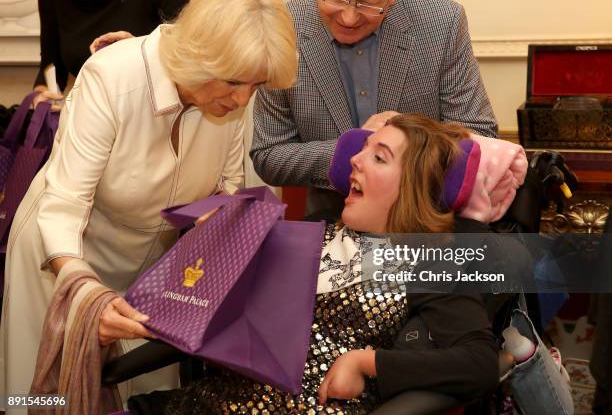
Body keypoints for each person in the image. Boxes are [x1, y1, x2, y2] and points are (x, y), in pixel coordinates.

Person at [0, 0, 297, 407]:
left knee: (142, 394)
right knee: (50, 398)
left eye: (255, 86)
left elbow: (226, 186)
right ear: (201, 57)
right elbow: (63, 206)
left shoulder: (232, 98)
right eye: (235, 83)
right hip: (63, 255)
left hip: (151, 268)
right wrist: (84, 292)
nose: (242, 100)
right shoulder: (112, 78)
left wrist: (219, 223)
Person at [128, 114, 500, 415]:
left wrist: (366, 362)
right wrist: (215, 242)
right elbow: (207, 305)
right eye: (363, 149)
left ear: (413, 185)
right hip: (208, 401)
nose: (354, 158)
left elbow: (478, 364)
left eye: (379, 156)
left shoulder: (425, 260)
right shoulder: (306, 231)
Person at [250, 0, 498, 218]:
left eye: (368, 4)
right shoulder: (284, 28)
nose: (348, 17)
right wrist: (353, 149)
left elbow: (480, 136)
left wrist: (404, 145)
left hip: (423, 223)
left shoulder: (442, 23)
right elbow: (268, 155)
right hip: (330, 223)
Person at [33, 0, 188, 108]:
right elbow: (51, 66)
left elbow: (190, 57)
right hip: (91, 118)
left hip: (153, 117)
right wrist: (41, 95)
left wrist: (142, 53)